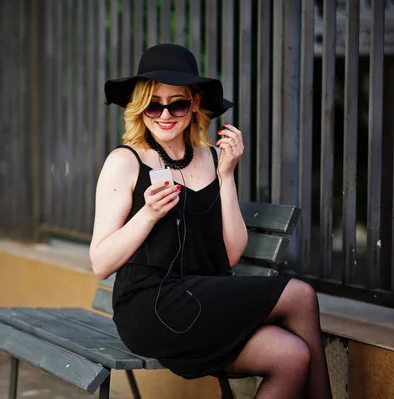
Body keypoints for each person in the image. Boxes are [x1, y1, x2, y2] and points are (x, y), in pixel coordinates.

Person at [89, 43, 332, 399]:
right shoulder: (125, 162)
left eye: (178, 103)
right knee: (299, 295)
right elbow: (100, 262)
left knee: (291, 356)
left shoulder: (213, 158)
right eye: (154, 104)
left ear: (196, 104)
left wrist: (227, 176)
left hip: (205, 301)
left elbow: (231, 255)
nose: (165, 114)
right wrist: (149, 213)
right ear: (140, 108)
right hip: (152, 307)